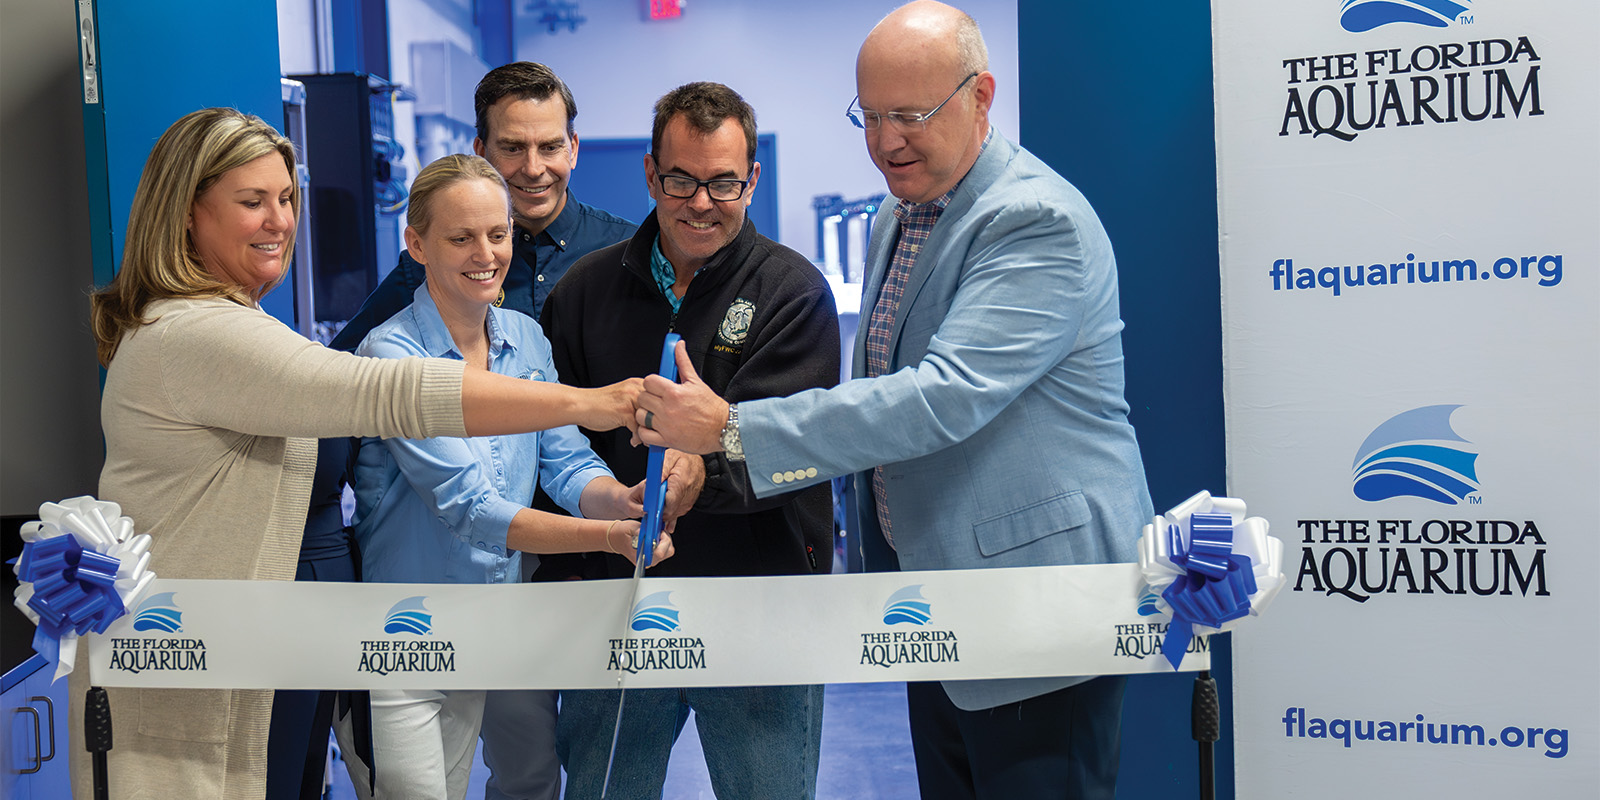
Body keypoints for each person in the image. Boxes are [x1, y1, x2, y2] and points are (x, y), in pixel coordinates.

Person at [635, 4, 1155, 799]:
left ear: (981, 97)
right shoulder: (901, 211)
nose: (885, 141)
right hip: (935, 599)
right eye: (869, 116)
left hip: (1034, 604)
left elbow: (938, 400)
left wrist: (731, 428)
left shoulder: (1033, 220)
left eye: (909, 115)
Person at [78, 107, 641, 800]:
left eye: (286, 198)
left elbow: (559, 460)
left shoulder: (233, 322)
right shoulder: (198, 333)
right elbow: (389, 395)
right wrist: (598, 403)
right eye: (252, 202)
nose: (280, 221)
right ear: (186, 214)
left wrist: (613, 494)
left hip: (262, 642)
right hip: (199, 659)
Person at [325, 63, 641, 800]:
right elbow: (467, 507)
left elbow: (563, 460)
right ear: (417, 245)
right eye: (462, 237)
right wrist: (606, 538)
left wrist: (620, 503)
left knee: (527, 775)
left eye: (497, 235)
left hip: (501, 608)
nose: (486, 254)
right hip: (409, 623)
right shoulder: (390, 352)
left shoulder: (527, 340)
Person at [544, 82, 840, 799]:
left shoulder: (793, 294)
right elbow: (553, 447)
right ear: (650, 173)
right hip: (619, 604)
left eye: (723, 183)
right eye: (680, 180)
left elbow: (801, 449)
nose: (701, 203)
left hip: (757, 601)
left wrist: (704, 470)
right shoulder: (583, 293)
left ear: (753, 180)